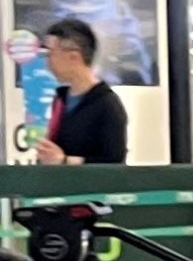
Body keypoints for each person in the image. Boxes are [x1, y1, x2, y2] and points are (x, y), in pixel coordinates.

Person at [36, 18, 128, 165]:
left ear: (74, 56)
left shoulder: (107, 105)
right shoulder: (60, 99)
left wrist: (64, 160)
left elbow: (114, 164)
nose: (47, 62)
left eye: (50, 53)